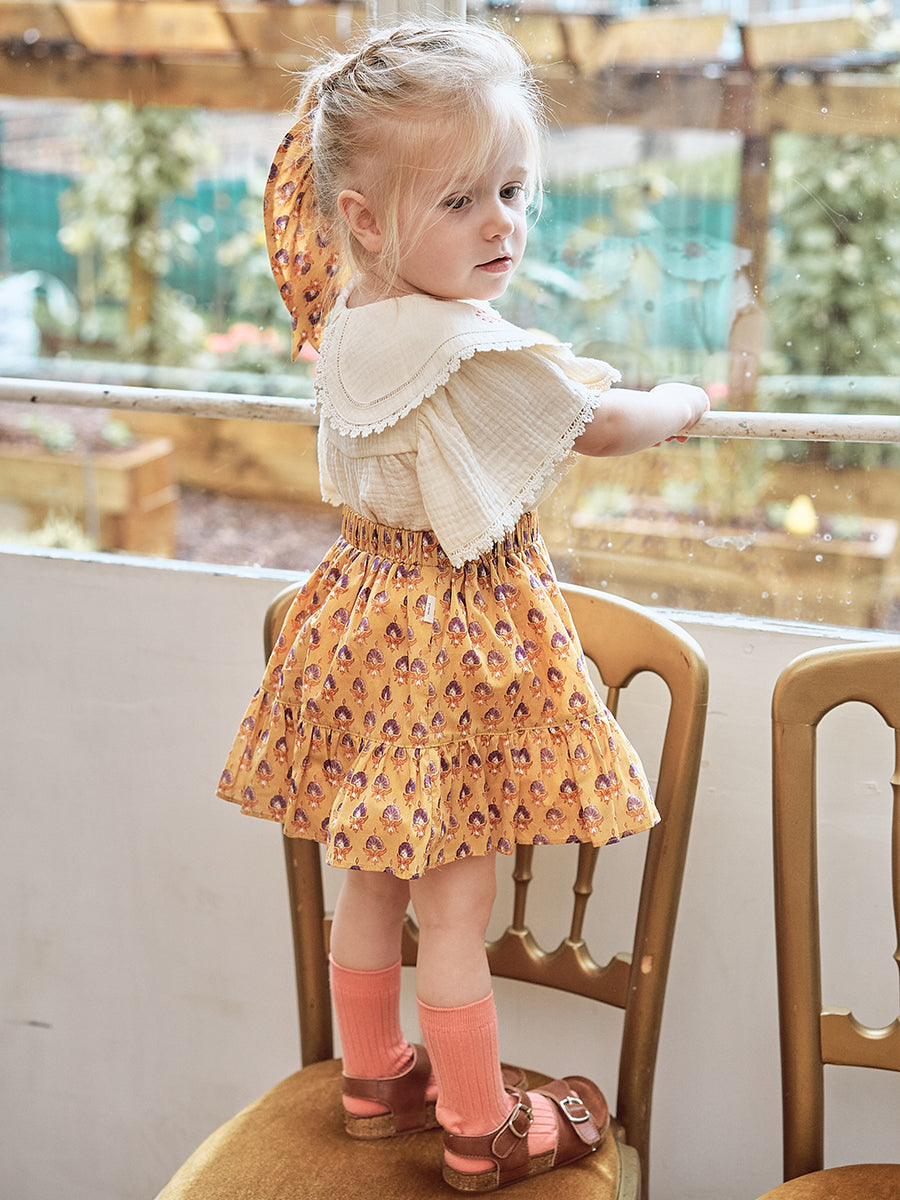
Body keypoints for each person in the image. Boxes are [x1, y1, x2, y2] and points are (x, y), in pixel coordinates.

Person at [217, 20, 709, 1192]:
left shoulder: (350, 326)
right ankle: (482, 1127)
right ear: (363, 219)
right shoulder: (463, 345)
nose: (501, 224)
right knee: (455, 896)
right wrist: (683, 403)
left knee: (369, 874)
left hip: (357, 619)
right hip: (450, 643)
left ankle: (374, 1076)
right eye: (460, 201)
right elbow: (598, 424)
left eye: (513, 190)